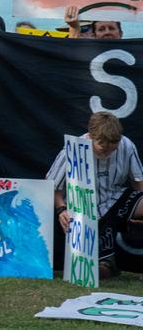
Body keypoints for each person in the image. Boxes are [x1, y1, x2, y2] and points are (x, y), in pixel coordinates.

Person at [48, 112, 143, 277]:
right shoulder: (71, 151)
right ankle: (107, 263)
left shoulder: (126, 145)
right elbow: (53, 186)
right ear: (91, 136)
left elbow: (138, 181)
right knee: (96, 273)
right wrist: (61, 209)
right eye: (103, 147)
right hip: (83, 209)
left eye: (113, 147)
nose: (108, 152)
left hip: (114, 199)